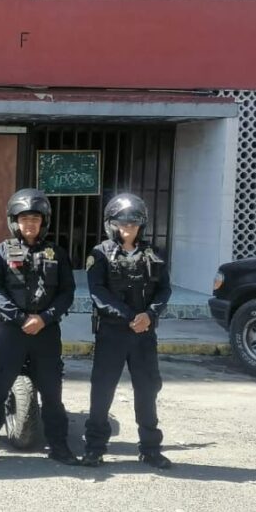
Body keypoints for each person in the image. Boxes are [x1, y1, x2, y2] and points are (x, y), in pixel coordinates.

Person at [0, 188, 78, 466]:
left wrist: (44, 318)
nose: (30, 224)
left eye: (35, 218)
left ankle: (59, 446)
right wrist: (21, 319)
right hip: (12, 332)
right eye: (24, 219)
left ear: (44, 221)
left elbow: (67, 292)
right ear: (14, 221)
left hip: (46, 332)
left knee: (52, 394)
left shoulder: (57, 253)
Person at [82, 193, 173, 469]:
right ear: (112, 224)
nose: (128, 227)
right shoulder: (99, 254)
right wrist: (130, 316)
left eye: (134, 222)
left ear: (141, 225)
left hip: (144, 335)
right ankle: (95, 448)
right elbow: (98, 292)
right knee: (102, 391)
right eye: (123, 222)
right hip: (112, 334)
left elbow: (164, 289)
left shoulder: (153, 254)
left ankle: (150, 448)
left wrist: (150, 314)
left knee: (147, 390)